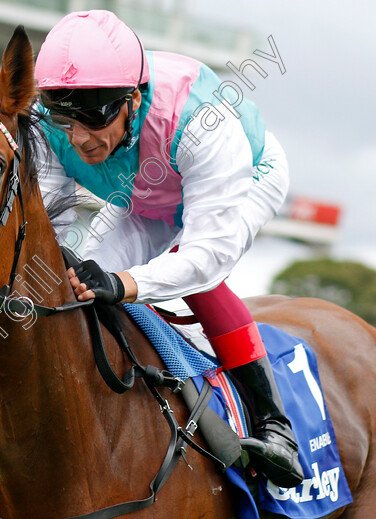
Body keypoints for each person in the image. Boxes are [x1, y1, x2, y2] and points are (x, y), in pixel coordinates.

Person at [34, 10, 303, 487]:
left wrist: (126, 283)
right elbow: (51, 219)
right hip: (147, 190)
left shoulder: (202, 120)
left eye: (92, 121)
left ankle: (275, 423)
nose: (77, 138)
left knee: (187, 277)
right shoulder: (48, 122)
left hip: (244, 178)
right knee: (76, 285)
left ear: (132, 99)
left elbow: (206, 257)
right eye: (64, 121)